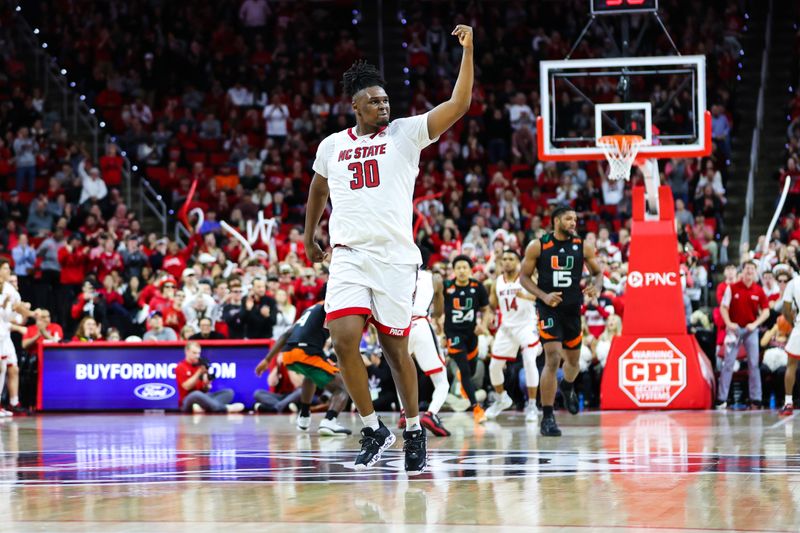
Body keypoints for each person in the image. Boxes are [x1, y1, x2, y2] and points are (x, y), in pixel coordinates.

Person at [303, 24, 474, 474]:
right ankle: (372, 427)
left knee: (397, 352)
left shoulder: (405, 133)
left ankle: (413, 428)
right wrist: (309, 234)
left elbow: (459, 105)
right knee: (342, 342)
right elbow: (318, 189)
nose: (384, 105)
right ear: (355, 105)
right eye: (375, 101)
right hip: (349, 256)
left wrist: (468, 52)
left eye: (386, 100)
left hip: (397, 260)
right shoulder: (332, 145)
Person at [519, 206, 603, 437]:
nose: (574, 222)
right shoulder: (539, 245)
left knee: (573, 363)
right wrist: (544, 295)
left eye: (575, 218)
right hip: (548, 308)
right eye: (568, 218)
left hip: (572, 309)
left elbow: (598, 272)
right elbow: (523, 277)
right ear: (556, 220)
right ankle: (547, 417)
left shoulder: (582, 246)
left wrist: (596, 286)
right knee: (553, 357)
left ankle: (567, 386)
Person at [254, 300, 352, 436]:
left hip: (288, 353)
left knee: (310, 374)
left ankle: (304, 414)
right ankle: (329, 421)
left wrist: (267, 359)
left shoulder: (311, 309)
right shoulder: (333, 303)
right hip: (306, 352)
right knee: (343, 386)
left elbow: (286, 334)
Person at [485, 249, 541, 422]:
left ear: (518, 261)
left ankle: (532, 404)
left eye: (511, 259)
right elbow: (492, 306)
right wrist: (485, 324)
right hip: (507, 327)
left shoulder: (527, 277)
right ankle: (502, 399)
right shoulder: (497, 282)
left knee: (530, 360)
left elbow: (540, 297)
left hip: (526, 325)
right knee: (494, 366)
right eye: (505, 259)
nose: (507, 262)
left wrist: (524, 295)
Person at [399, 266, 451, 437]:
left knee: (400, 374)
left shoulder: (398, 271)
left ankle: (404, 412)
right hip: (421, 324)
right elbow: (439, 310)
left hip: (400, 326)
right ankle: (431, 415)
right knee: (442, 381)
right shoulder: (434, 278)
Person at [443, 254, 491, 423]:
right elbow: (438, 309)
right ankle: (476, 408)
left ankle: (464, 383)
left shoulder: (477, 287)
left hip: (472, 334)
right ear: (454, 270)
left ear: (470, 270)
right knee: (464, 369)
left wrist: (483, 326)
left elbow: (486, 309)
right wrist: (442, 331)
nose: (462, 271)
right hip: (454, 334)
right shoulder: (446, 287)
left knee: (469, 369)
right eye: (458, 268)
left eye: (465, 267)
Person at [717, 262, 770, 410]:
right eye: (747, 269)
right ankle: (721, 398)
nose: (749, 272)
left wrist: (755, 324)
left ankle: (756, 398)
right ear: (743, 271)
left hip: (750, 330)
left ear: (755, 273)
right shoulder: (732, 288)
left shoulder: (758, 291)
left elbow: (766, 311)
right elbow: (723, 307)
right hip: (734, 330)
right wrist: (728, 323)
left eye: (752, 270)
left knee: (754, 364)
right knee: (728, 363)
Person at [0, 260, 36, 415]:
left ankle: (9, 403)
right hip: (3, 330)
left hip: (3, 332)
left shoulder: (10, 289)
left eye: (9, 268)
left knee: (6, 366)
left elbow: (16, 308)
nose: (8, 271)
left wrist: (32, 314)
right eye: (5, 268)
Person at [175, 341, 244, 413]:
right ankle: (226, 408)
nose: (197, 356)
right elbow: (186, 386)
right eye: (194, 353)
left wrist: (207, 384)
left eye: (198, 353)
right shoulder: (180, 366)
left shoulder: (200, 366)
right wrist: (199, 372)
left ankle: (204, 408)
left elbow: (205, 390)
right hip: (187, 400)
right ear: (187, 352)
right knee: (196, 394)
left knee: (229, 392)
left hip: (203, 398)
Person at [779, 275, 800, 415]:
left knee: (791, 364)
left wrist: (793, 324)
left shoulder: (793, 283)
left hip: (799, 327)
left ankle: (788, 403)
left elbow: (786, 310)